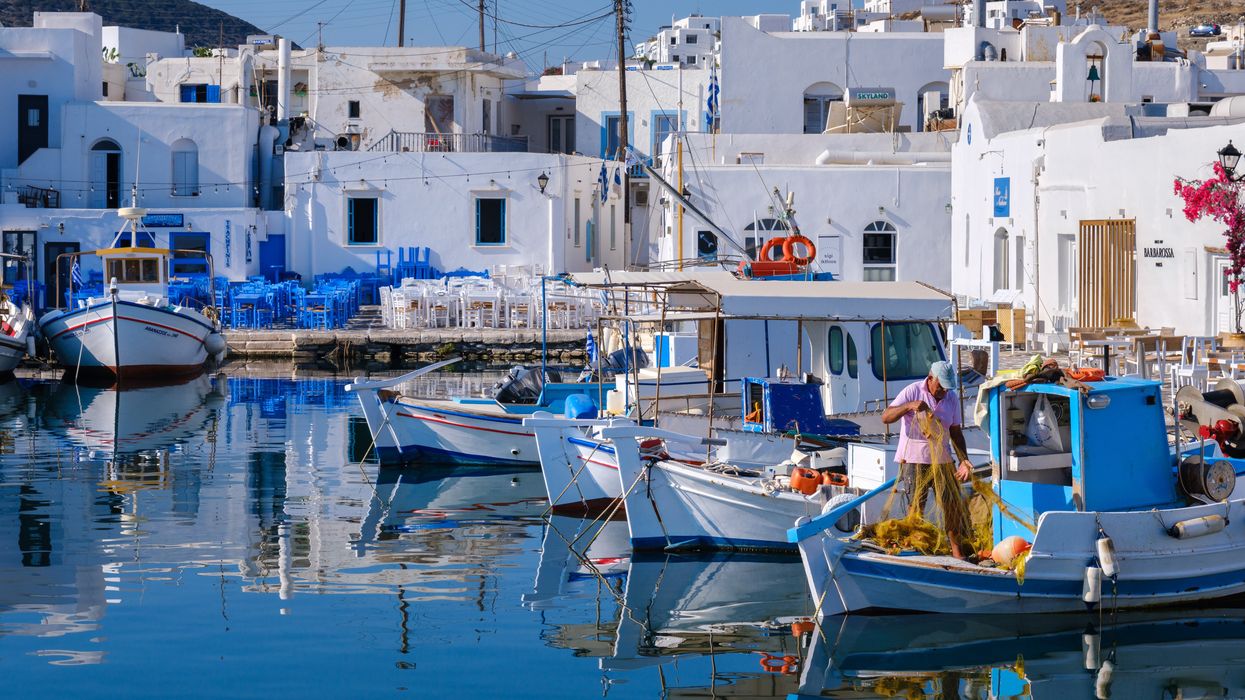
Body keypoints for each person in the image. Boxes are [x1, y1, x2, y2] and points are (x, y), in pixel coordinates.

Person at [880, 360, 973, 558]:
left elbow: (956, 433)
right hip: (914, 459)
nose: (943, 392)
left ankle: (956, 549)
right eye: (940, 387)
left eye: (947, 389)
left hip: (943, 459)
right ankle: (915, 548)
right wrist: (908, 406)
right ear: (930, 379)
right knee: (916, 506)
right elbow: (886, 417)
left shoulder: (952, 398)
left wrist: (964, 460)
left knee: (952, 505)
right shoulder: (912, 391)